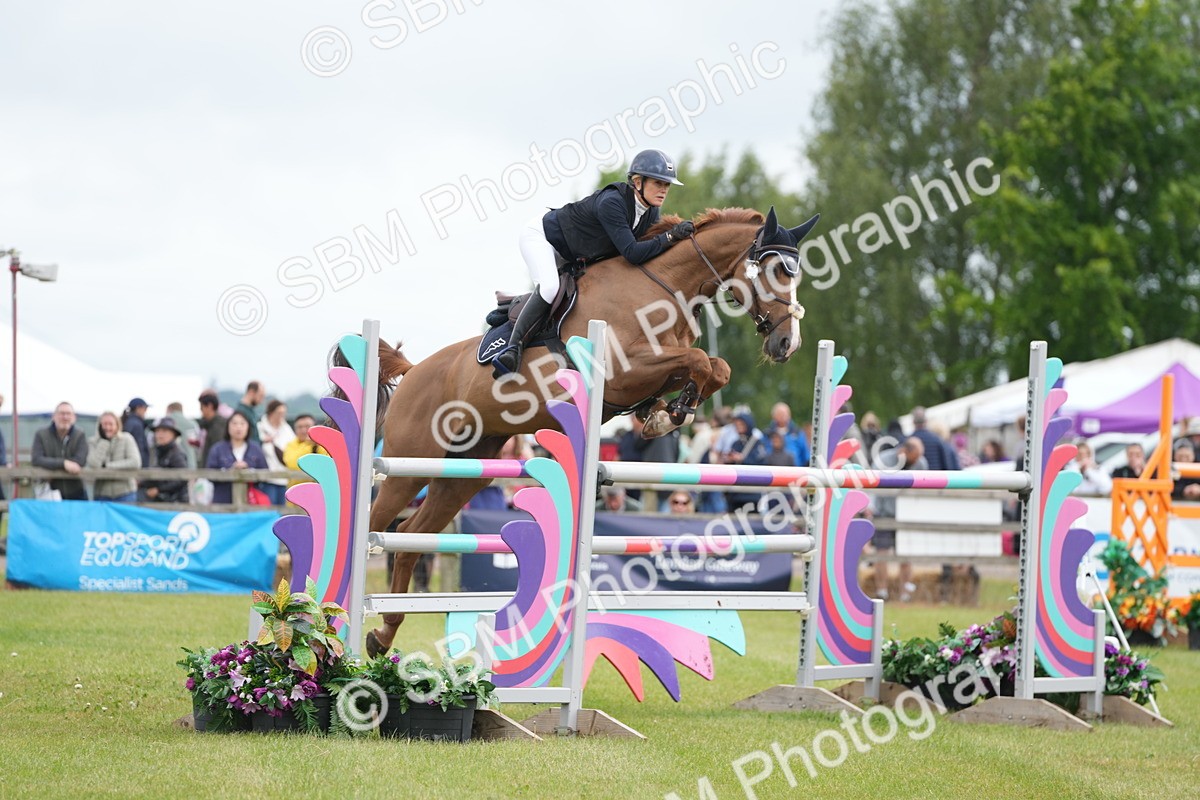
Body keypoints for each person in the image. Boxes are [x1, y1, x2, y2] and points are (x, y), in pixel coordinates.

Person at [492, 149, 693, 378]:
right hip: (544, 239)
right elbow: (632, 253)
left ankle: (512, 308)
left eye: (667, 185)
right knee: (550, 288)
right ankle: (513, 349)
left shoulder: (650, 213)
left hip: (575, 253)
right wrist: (670, 237)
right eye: (659, 183)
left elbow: (648, 255)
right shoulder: (613, 202)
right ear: (638, 181)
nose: (664, 190)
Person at [871, 437, 926, 601]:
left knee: (906, 554)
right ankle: (882, 591)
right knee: (881, 553)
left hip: (907, 515)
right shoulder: (884, 461)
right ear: (904, 451)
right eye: (913, 458)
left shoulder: (921, 463)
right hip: (884, 514)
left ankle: (905, 593)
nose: (916, 462)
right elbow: (873, 487)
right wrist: (875, 511)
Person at [205, 411, 269, 504]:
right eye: (234, 423)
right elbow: (209, 473)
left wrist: (248, 469)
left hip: (251, 502)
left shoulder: (256, 449)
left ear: (248, 427)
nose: (238, 427)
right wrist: (229, 471)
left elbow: (265, 473)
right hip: (223, 502)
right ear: (228, 427)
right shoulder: (217, 449)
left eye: (242, 423)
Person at [31, 402, 89, 500]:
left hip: (76, 491)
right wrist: (64, 463)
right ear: (53, 416)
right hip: (50, 492)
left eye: (68, 414)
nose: (65, 417)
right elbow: (37, 459)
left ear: (74, 417)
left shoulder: (80, 435)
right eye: (62, 413)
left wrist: (51, 463)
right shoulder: (41, 434)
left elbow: (81, 460)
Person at [86, 411, 141, 502]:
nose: (108, 427)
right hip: (102, 494)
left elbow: (135, 462)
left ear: (117, 425)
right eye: (105, 424)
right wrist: (104, 441)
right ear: (99, 425)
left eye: (111, 424)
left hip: (125, 493)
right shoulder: (92, 442)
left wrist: (108, 466)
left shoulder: (127, 438)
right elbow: (94, 464)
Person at [141, 418, 189, 503]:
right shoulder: (158, 451)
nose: (160, 434)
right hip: (163, 500)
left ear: (173, 434)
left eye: (164, 431)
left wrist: (158, 490)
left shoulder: (176, 454)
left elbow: (182, 479)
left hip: (175, 501)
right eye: (158, 431)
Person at [257, 400, 295, 505]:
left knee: (283, 509)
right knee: (269, 508)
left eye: (283, 413)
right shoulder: (260, 427)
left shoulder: (287, 429)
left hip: (284, 477)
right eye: (278, 413)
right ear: (271, 413)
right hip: (267, 477)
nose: (281, 416)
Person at [765, 402, 810, 467]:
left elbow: (805, 454)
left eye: (785, 414)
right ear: (774, 416)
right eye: (780, 414)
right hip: (772, 470)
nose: (783, 416)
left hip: (795, 471)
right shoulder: (767, 433)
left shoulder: (797, 433)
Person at [197, 391, 228, 468]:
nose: (201, 410)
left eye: (202, 407)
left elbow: (218, 452)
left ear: (210, 406)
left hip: (213, 471)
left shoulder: (218, 427)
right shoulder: (211, 424)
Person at [122, 397, 151, 467]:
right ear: (138, 408)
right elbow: (139, 448)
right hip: (137, 467)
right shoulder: (136, 425)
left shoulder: (128, 422)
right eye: (145, 408)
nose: (146, 411)